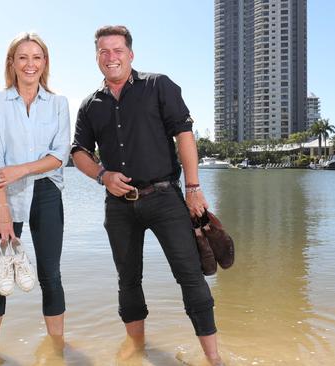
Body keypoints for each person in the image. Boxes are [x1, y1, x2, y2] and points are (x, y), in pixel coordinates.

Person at [71, 25, 222, 365]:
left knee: (190, 275)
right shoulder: (89, 105)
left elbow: (184, 134)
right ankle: (138, 353)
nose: (111, 57)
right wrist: (102, 175)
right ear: (96, 57)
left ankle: (214, 359)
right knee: (128, 280)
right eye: (104, 52)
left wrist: (193, 188)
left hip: (165, 197)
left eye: (117, 50)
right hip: (119, 205)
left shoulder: (158, 85)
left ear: (130, 54)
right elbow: (79, 151)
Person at [0, 32, 70, 363]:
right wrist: (3, 211)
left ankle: (57, 352)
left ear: (44, 63)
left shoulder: (59, 104)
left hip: (46, 193)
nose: (30, 64)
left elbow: (59, 156)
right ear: (12, 63)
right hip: (4, 197)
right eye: (23, 57)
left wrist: (20, 170)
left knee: (51, 276)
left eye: (37, 57)